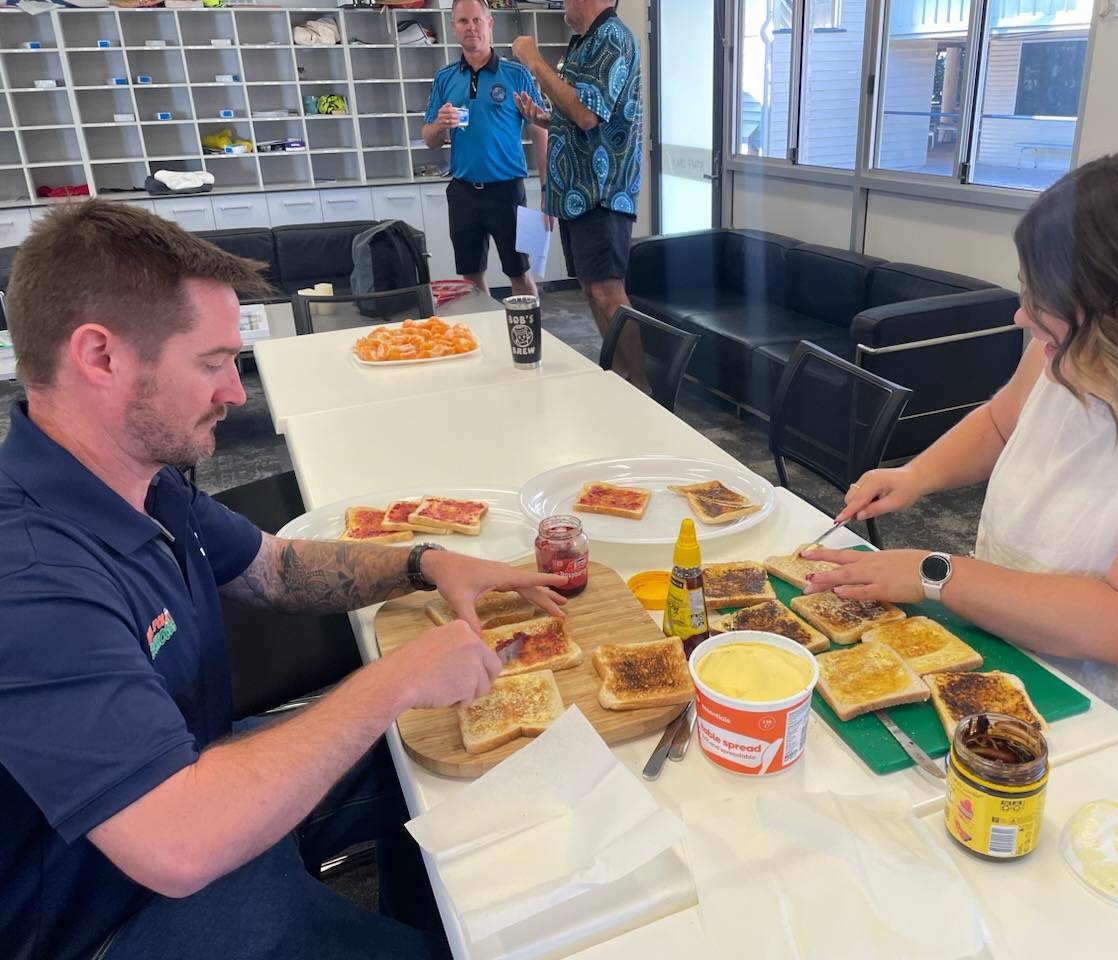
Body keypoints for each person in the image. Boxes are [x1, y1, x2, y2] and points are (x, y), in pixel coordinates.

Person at [0, 200, 567, 960]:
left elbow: (274, 570)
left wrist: (423, 562)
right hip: (116, 916)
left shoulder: (139, 477)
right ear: (99, 357)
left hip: (194, 785)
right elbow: (178, 844)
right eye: (212, 363)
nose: (236, 393)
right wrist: (395, 678)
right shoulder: (31, 581)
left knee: (429, 761)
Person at [803, 153, 1118, 767]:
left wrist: (934, 573)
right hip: (1013, 644)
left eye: (1042, 302)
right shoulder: (1066, 342)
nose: (1021, 316)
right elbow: (1002, 422)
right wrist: (914, 475)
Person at [511, 0, 651, 393]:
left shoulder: (612, 37)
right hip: (578, 195)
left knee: (608, 292)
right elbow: (582, 114)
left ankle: (645, 392)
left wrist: (535, 62)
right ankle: (619, 380)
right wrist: (543, 118)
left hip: (602, 194)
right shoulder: (585, 42)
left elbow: (587, 114)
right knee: (592, 289)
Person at [422, 0, 548, 298]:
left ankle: (530, 330)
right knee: (470, 278)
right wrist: (439, 124)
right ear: (453, 28)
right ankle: (485, 328)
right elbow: (429, 139)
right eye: (463, 21)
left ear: (489, 24)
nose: (471, 28)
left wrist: (547, 189)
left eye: (477, 20)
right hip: (463, 192)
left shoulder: (516, 74)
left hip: (508, 191)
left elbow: (540, 129)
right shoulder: (445, 77)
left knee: (520, 274)